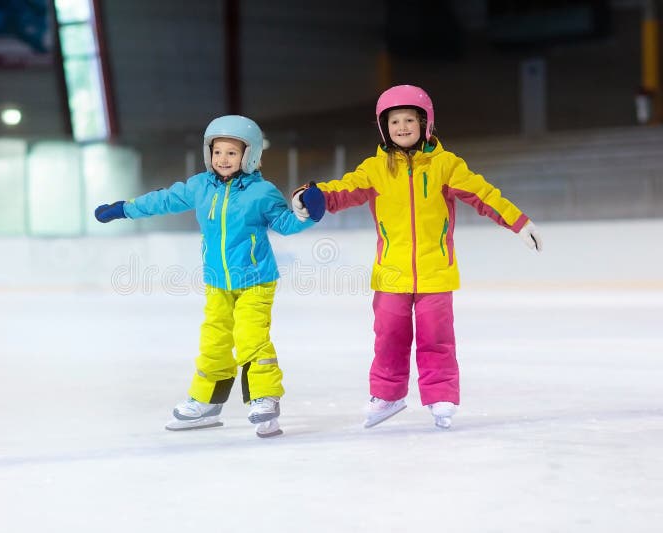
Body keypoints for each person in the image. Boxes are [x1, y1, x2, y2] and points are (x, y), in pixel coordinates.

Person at [292, 85, 542, 430]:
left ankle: (440, 396)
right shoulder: (374, 170)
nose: (402, 127)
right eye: (395, 121)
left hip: (435, 271)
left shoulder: (446, 166)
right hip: (391, 273)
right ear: (384, 127)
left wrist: (518, 221)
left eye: (410, 119)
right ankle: (387, 395)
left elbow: (483, 194)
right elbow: (342, 190)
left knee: (435, 337)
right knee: (388, 335)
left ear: (425, 123)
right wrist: (309, 195)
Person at [95, 115, 325, 438]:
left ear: (250, 155)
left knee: (251, 338)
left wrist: (307, 213)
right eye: (217, 152)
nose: (223, 159)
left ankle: (264, 397)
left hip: (256, 281)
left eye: (232, 153)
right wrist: (125, 208)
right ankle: (207, 402)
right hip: (217, 281)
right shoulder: (199, 186)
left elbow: (286, 224)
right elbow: (163, 200)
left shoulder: (262, 192)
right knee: (213, 341)